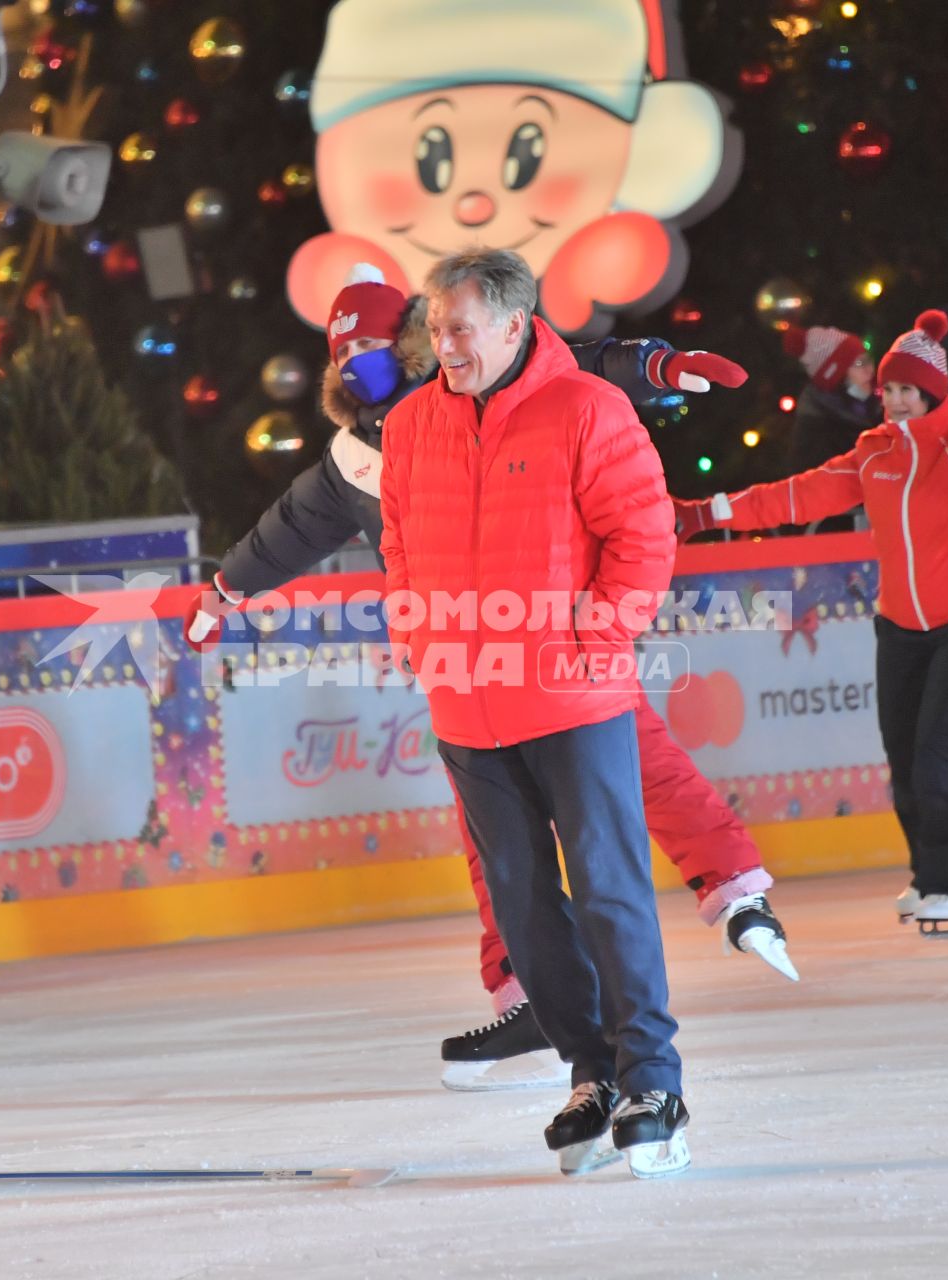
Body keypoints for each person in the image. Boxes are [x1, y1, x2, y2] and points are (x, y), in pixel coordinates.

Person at [188, 266, 795, 1094]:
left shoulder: (480, 378)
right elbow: (291, 528)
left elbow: (576, 366)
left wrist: (654, 366)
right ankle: (531, 996)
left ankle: (733, 893)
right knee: (497, 854)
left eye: (380, 342)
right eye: (349, 352)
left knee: (641, 774)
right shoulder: (364, 451)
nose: (370, 360)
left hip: (564, 655)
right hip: (471, 670)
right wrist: (228, 585)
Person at [381, 248, 690, 1178]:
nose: (445, 346)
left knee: (607, 889)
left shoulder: (588, 410)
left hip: (571, 695)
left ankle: (654, 1080)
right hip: (467, 709)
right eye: (435, 330)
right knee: (523, 909)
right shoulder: (408, 426)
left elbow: (644, 535)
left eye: (461, 328)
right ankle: (592, 1072)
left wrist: (594, 641)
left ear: (516, 325)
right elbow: (397, 545)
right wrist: (421, 637)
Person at [678, 310, 948, 931]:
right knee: (905, 757)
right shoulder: (874, 454)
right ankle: (928, 876)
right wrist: (706, 513)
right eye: (888, 389)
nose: (892, 401)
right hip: (900, 629)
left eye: (905, 391)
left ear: (932, 393)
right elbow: (795, 496)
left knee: (940, 751)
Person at [780, 323, 877, 476]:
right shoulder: (815, 440)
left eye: (867, 360)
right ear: (836, 377)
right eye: (858, 363)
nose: (869, 369)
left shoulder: (881, 406)